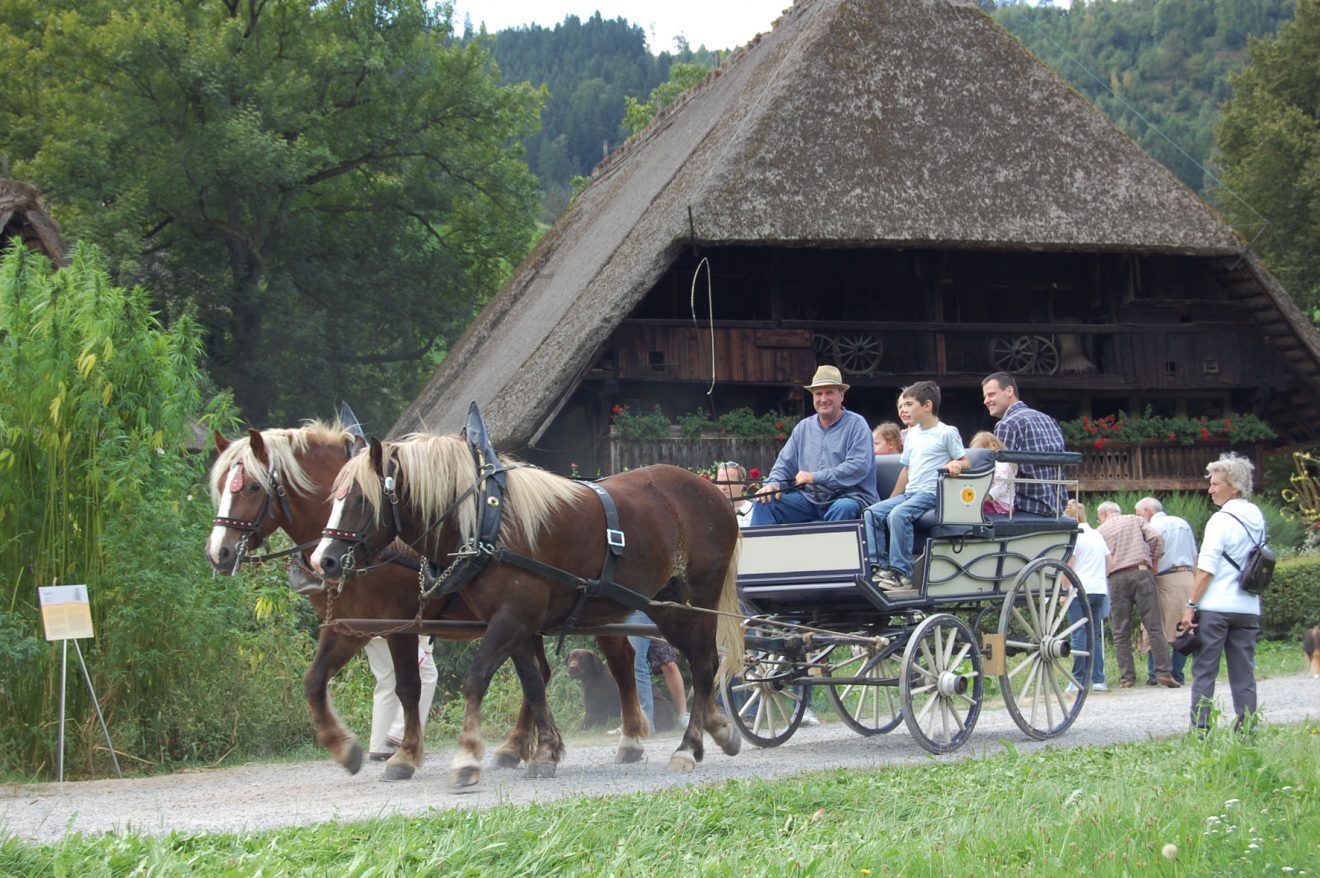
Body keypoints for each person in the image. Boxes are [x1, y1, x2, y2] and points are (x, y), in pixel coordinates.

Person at [1181, 453, 1264, 735]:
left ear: (1235, 487)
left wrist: (1191, 605)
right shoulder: (1257, 517)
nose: (1211, 489)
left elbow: (1206, 570)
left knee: (1205, 671)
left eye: (1216, 484)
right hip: (1248, 606)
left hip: (1217, 607)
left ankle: (1201, 730)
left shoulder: (1220, 520)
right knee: (1244, 674)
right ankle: (1247, 730)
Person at [866, 381, 968, 590]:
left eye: (910, 404)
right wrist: (892, 499)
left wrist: (956, 464)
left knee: (898, 515)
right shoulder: (911, 434)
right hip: (911, 492)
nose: (904, 409)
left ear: (927, 405)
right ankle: (879, 566)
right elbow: (906, 470)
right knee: (871, 513)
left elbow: (965, 461)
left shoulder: (947, 432)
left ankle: (902, 574)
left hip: (931, 493)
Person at [750, 365, 878, 525]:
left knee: (842, 508)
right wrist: (773, 484)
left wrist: (814, 477)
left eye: (829, 392)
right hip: (808, 499)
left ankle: (829, 551)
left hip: (849, 496)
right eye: (818, 393)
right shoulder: (803, 427)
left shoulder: (857, 424)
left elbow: (858, 467)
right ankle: (763, 551)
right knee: (764, 503)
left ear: (841, 395)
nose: (823, 399)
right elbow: (783, 465)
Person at [1095, 501, 1179, 689]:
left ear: (1104, 514)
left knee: (1120, 630)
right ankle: (1164, 672)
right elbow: (1156, 537)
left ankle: (1127, 678)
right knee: (1154, 626)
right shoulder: (1134, 519)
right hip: (1141, 573)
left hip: (1116, 578)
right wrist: (1153, 559)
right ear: (1117, 511)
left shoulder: (1100, 530)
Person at [980, 372, 1067, 516]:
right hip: (1057, 505)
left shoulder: (1007, 424)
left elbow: (1002, 473)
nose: (986, 401)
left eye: (991, 395)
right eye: (985, 397)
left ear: (1009, 391)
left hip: (1026, 505)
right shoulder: (1048, 420)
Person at [1136, 496, 1198, 685]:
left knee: (1156, 626)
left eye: (1139, 514)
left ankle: (1156, 673)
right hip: (1187, 577)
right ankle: (1177, 673)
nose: (1139, 518)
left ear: (1148, 512)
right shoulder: (1182, 523)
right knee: (1183, 628)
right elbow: (1194, 555)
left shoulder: (1152, 528)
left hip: (1164, 578)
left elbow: (1149, 555)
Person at [364, 635, 439, 760]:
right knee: (426, 675)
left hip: (369, 630)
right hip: (397, 634)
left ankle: (381, 747)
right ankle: (402, 733)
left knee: (388, 682)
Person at [1063, 500, 1111, 692]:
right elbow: (1111, 562)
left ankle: (1078, 679)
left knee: (1079, 634)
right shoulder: (1097, 535)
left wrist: (1065, 592)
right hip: (1099, 588)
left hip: (1080, 590)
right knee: (1095, 635)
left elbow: (1068, 566)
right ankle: (1098, 679)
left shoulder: (1075, 536)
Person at [969, 431, 1015, 515]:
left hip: (1001, 504)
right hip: (990, 500)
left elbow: (1000, 485)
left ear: (993, 446)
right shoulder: (987, 464)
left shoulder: (1002, 465)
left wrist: (987, 496)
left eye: (981, 453)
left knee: (970, 507)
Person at [716, 460, 755, 527]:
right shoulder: (711, 512)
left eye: (728, 483)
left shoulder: (754, 512)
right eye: (720, 482)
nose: (722, 487)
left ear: (741, 484)